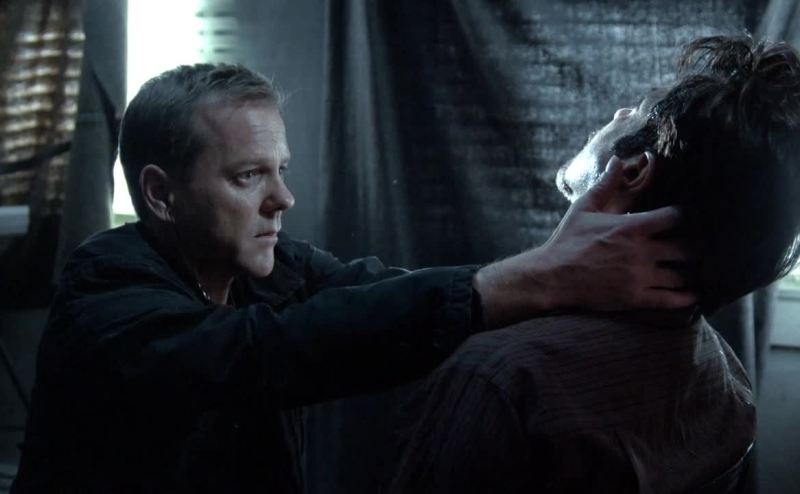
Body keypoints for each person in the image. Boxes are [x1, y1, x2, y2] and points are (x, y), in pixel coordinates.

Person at [12, 60, 694, 492]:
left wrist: (557, 266)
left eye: (281, 171)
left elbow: (390, 299)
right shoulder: (105, 290)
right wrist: (547, 276)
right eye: (248, 176)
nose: (283, 199)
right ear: (161, 195)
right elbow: (273, 350)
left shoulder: (273, 268)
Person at [390, 35, 800, 494]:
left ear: (632, 171)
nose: (621, 113)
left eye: (638, 110)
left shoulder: (498, 378)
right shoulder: (724, 377)